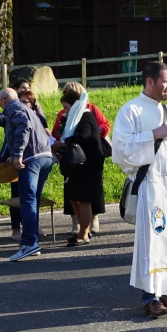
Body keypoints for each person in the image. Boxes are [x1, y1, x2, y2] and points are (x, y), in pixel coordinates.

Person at [112, 62, 167, 317]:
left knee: (166, 239)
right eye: (165, 81)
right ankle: (149, 297)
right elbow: (121, 149)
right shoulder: (131, 110)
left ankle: (161, 292)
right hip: (150, 185)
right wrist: (153, 134)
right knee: (151, 240)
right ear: (150, 81)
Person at [0, 87, 54, 261]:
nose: (0, 106)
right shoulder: (24, 108)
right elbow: (6, 120)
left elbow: (24, 126)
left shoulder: (13, 107)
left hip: (31, 158)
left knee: (27, 201)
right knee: (33, 200)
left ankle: (29, 243)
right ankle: (32, 241)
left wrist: (18, 153)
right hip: (46, 157)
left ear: (3, 100)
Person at [51, 81, 110, 237]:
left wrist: (64, 142)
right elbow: (57, 132)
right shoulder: (70, 116)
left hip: (87, 161)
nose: (64, 111)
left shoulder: (86, 114)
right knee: (73, 195)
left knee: (85, 197)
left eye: (66, 107)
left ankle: (85, 230)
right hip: (75, 161)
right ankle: (81, 227)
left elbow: (84, 135)